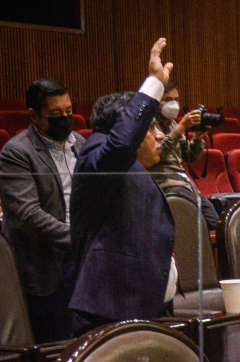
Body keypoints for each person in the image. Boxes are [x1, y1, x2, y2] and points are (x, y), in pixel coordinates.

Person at [68, 38, 177, 337]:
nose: (159, 136)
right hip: (110, 312)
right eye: (151, 128)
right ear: (125, 128)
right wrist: (154, 84)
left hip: (140, 308)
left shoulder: (130, 167)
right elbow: (121, 144)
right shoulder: (99, 154)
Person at [0, 78, 85, 342]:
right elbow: (28, 215)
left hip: (83, 263)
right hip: (44, 268)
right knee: (54, 347)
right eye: (56, 114)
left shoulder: (80, 144)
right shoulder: (17, 153)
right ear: (33, 116)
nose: (65, 119)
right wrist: (77, 239)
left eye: (69, 112)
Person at [148, 81, 219, 230]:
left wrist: (198, 137)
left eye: (176, 99)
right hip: (165, 183)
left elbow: (191, 157)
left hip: (185, 183)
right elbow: (159, 152)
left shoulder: (173, 124)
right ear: (156, 100)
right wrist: (181, 127)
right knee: (193, 225)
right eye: (167, 100)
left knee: (214, 222)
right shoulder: (150, 124)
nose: (173, 104)